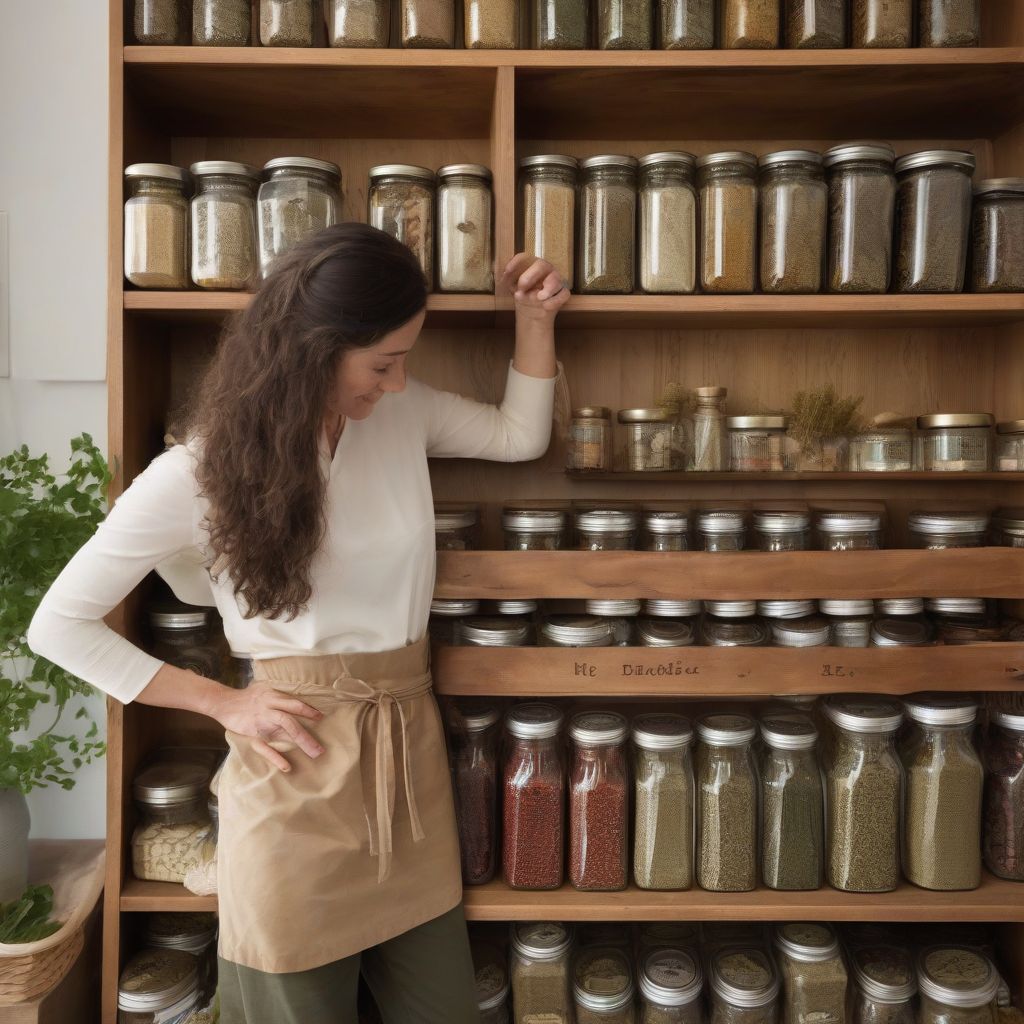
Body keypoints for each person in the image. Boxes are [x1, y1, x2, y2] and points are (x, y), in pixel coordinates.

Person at [27, 222, 568, 1024]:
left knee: (441, 1008)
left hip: (409, 759)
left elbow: (520, 437)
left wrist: (536, 318)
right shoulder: (195, 473)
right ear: (311, 351)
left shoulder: (401, 413)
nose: (396, 382)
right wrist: (223, 703)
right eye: (383, 362)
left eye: (404, 361)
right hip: (294, 773)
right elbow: (58, 624)